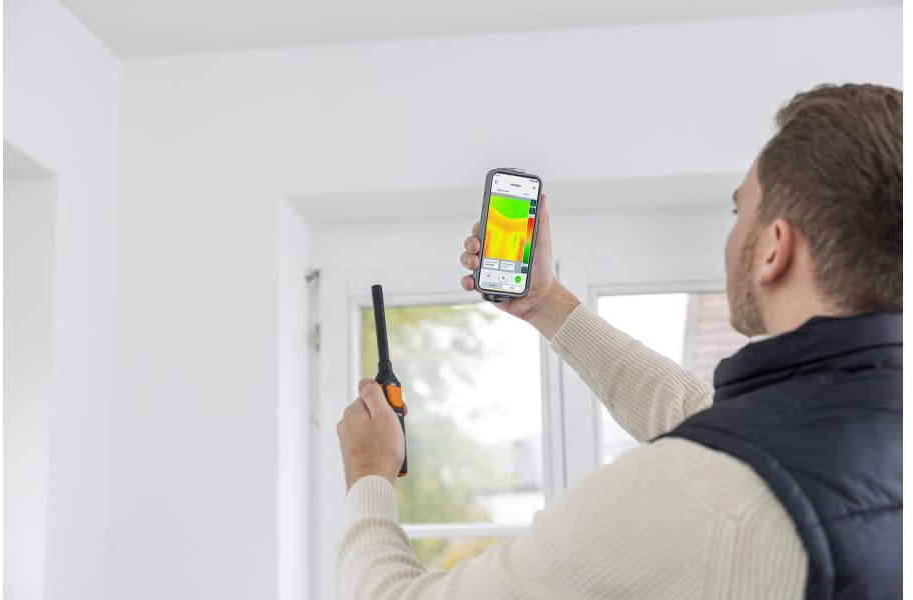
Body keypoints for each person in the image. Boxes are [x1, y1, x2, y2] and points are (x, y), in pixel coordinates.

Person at [335, 83, 902, 599]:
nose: (731, 235)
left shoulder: (699, 494)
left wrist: (369, 470)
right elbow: (700, 414)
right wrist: (545, 302)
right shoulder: (872, 428)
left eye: (739, 210)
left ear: (775, 247)